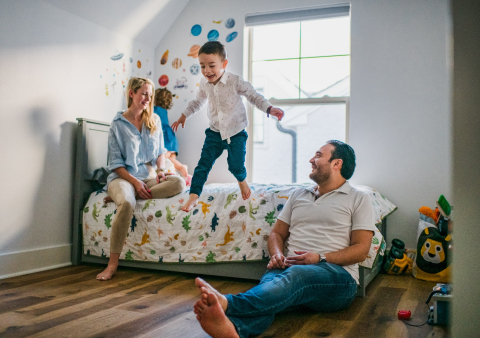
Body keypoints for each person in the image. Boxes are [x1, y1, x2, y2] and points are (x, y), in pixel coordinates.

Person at [192, 140, 376, 338]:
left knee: (294, 277)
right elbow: (277, 234)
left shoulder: (359, 198)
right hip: (287, 270)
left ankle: (228, 303)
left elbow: (361, 249)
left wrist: (319, 258)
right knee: (271, 294)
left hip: (337, 278)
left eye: (318, 155)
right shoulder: (299, 194)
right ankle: (235, 331)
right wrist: (277, 255)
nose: (311, 160)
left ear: (336, 164)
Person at [171, 41, 284, 212]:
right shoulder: (204, 83)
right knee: (203, 165)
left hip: (236, 132)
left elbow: (253, 96)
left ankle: (242, 182)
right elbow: (198, 102)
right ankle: (193, 196)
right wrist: (183, 115)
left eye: (211, 65)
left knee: (235, 166)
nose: (207, 71)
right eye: (202, 66)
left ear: (224, 64)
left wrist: (269, 108)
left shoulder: (234, 81)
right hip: (214, 133)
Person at [97, 77, 186, 281]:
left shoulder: (153, 119)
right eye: (144, 93)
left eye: (150, 94)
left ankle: (122, 197)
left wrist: (162, 171)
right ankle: (112, 264)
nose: (147, 98)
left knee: (179, 182)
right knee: (127, 204)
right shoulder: (117, 124)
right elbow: (116, 164)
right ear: (132, 93)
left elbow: (161, 153)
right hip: (123, 177)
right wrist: (135, 183)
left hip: (149, 177)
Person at [153, 88, 191, 184]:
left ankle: (182, 168)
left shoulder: (154, 110)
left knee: (163, 159)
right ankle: (181, 176)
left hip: (164, 137)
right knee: (171, 161)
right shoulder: (164, 111)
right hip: (171, 138)